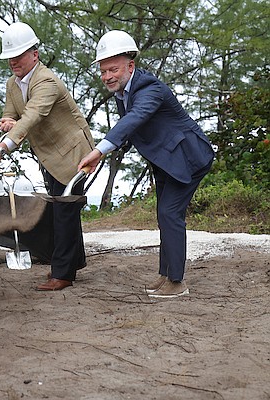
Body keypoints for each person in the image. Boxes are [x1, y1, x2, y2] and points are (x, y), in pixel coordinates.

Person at [78, 30, 214, 298]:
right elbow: (132, 131)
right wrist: (110, 151)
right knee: (164, 215)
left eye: (113, 69)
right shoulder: (123, 93)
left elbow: (135, 118)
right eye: (104, 71)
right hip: (165, 161)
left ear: (130, 65)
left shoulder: (150, 88)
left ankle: (177, 282)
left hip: (187, 158)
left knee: (170, 214)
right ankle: (167, 275)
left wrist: (101, 150)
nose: (107, 77)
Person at [0, 22, 95, 291]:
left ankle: (62, 274)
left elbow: (31, 117)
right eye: (10, 57)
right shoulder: (12, 84)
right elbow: (12, 113)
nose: (13, 61)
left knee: (64, 209)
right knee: (63, 208)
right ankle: (72, 263)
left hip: (73, 153)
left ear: (35, 53)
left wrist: (0, 149)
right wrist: (7, 121)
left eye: (19, 55)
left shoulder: (47, 81)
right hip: (47, 154)